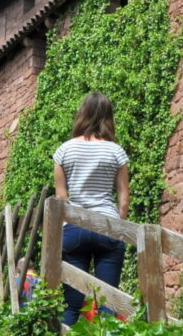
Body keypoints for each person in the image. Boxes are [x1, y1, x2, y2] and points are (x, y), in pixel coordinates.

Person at [53, 92, 130, 326]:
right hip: (107, 226)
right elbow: (123, 198)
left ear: (82, 113)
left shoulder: (64, 150)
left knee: (72, 305)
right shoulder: (116, 151)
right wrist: (118, 226)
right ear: (108, 117)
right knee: (109, 303)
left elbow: (61, 198)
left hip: (74, 229)